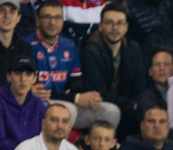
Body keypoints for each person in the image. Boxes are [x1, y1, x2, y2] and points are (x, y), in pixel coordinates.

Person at [26, 0, 121, 133]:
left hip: (64, 101)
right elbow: (42, 92)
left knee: (111, 111)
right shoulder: (26, 45)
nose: (52, 22)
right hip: (36, 105)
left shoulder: (69, 45)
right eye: (47, 17)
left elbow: (76, 84)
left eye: (57, 17)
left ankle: (94, 145)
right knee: (66, 112)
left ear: (63, 20)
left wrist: (88, 97)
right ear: (37, 20)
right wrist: (76, 98)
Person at [81, 2, 147, 137]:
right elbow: (98, 91)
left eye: (120, 23)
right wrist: (129, 105)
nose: (115, 28)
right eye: (109, 23)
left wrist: (135, 103)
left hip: (127, 106)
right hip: (100, 106)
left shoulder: (134, 49)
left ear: (126, 27)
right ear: (100, 26)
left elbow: (139, 86)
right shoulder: (90, 51)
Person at [0, 56, 47, 150]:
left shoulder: (39, 105)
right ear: (8, 76)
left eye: (28, 74)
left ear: (34, 78)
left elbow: (44, 139)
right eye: (17, 73)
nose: (23, 79)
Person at [136, 48, 173, 117]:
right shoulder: (146, 100)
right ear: (150, 71)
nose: (161, 68)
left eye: (166, 64)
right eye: (157, 64)